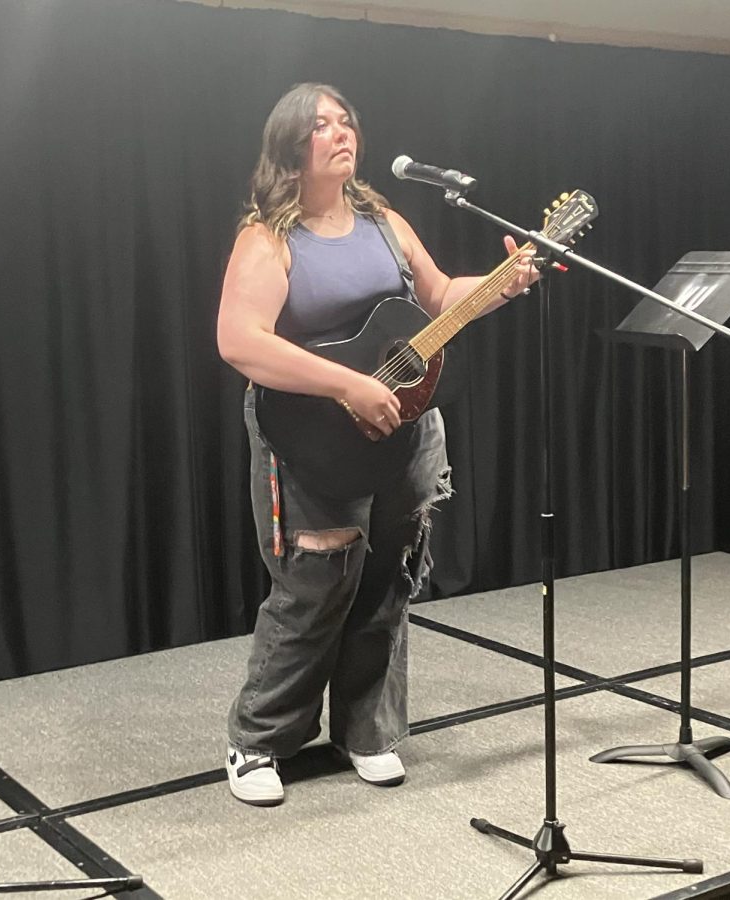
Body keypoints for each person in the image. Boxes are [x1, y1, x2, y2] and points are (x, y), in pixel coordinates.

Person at [217, 82, 537, 806]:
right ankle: (258, 741)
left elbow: (438, 296)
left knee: (390, 578)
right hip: (308, 434)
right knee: (315, 587)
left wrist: (499, 285)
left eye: (346, 121)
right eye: (321, 124)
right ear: (290, 146)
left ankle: (366, 731)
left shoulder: (382, 221)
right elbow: (239, 340)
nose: (340, 132)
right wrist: (345, 385)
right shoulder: (268, 236)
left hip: (408, 426)